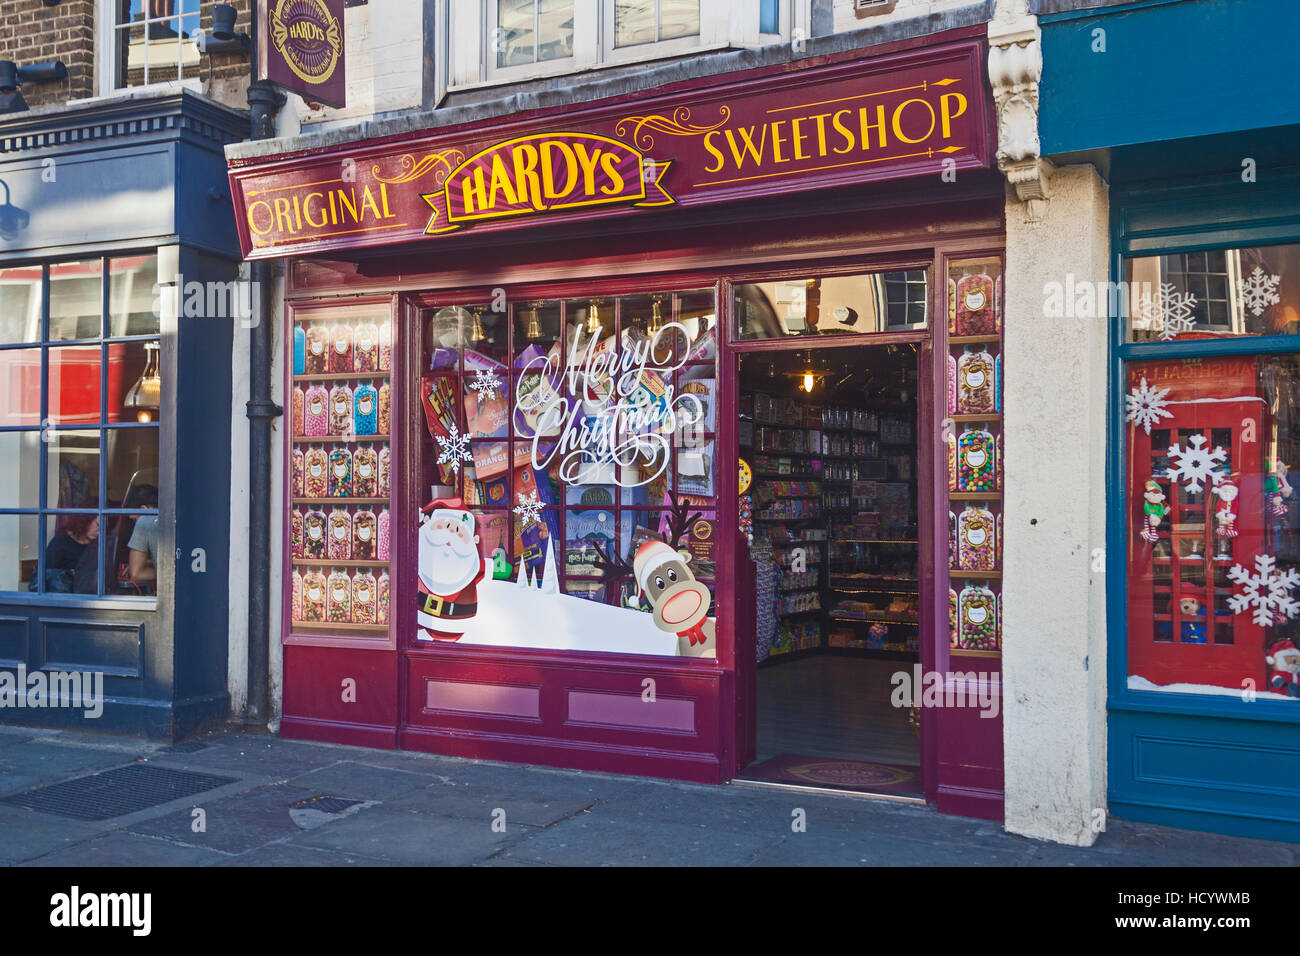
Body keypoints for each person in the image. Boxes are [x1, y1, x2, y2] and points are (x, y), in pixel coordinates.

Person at [34, 506, 98, 593]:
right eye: (98, 524)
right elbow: (47, 573)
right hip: (63, 597)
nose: (100, 530)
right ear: (85, 520)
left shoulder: (96, 544)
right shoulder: (61, 541)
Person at [126, 485, 159, 587]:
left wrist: (164, 571)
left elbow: (136, 574)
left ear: (144, 509)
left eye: (135, 520)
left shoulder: (145, 520)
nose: (135, 524)